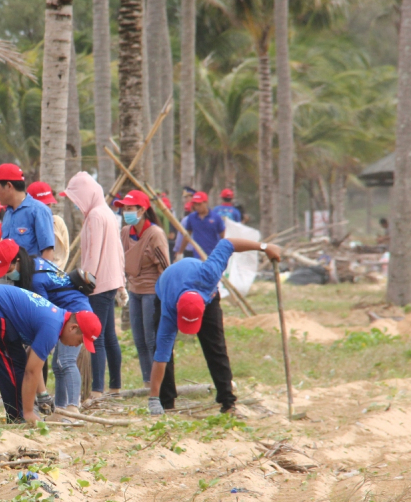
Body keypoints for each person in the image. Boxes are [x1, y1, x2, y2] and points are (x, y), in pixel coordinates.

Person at [148, 238, 281, 415]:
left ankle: (228, 402)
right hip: (169, 287)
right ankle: (165, 404)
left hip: (203, 289)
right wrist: (152, 399)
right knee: (164, 348)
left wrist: (264, 247)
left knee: (215, 346)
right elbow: (161, 357)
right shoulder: (169, 308)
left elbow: (228, 243)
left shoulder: (210, 272)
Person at [0, 285, 101, 424]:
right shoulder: (52, 327)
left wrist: (42, 394)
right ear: (73, 328)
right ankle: (19, 418)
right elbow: (30, 371)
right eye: (80, 340)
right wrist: (28, 411)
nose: (77, 345)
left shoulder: (55, 318)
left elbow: (33, 359)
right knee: (14, 365)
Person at [0, 239, 91, 414]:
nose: (7, 274)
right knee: (57, 365)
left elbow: (43, 317)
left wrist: (41, 391)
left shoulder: (36, 280)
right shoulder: (33, 263)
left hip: (76, 314)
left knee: (65, 361)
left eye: (9, 269)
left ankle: (73, 408)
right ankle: (60, 408)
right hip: (65, 312)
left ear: (17, 261)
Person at [65, 172, 126, 397]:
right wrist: (121, 282)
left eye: (77, 198)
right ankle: (115, 387)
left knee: (95, 337)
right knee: (109, 335)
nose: (77, 204)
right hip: (110, 282)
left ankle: (97, 391)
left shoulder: (94, 217)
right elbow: (118, 250)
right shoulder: (108, 213)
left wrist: (84, 283)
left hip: (97, 285)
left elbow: (93, 254)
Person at [117, 191, 177, 410]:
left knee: (153, 341)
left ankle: (158, 390)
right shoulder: (125, 232)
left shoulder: (155, 234)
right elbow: (121, 258)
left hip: (153, 292)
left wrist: (166, 297)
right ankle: (147, 383)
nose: (126, 213)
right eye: (124, 208)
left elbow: (165, 268)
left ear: (142, 210)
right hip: (134, 289)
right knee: (139, 340)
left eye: (130, 208)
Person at [0, 164, 55, 260]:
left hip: (32, 274)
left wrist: (40, 275)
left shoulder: (39, 211)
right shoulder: (7, 214)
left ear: (9, 186)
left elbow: (48, 252)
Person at [27, 181, 70, 270]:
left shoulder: (57, 223)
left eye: (48, 204)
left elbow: (60, 257)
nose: (46, 209)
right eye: (42, 205)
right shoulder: (22, 225)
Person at [175, 191, 225, 259]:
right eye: (195, 204)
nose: (197, 207)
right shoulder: (192, 218)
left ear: (206, 202)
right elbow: (187, 235)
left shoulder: (216, 218)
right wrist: (180, 252)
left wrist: (223, 252)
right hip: (197, 255)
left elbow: (223, 236)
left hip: (213, 255)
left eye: (199, 204)